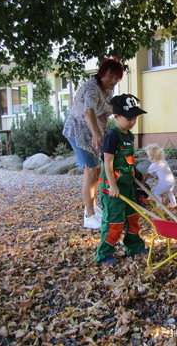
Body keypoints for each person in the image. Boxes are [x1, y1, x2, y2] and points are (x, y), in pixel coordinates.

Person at [63, 57, 124, 229]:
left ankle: (94, 207)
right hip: (79, 133)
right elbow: (88, 111)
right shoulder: (92, 88)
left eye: (116, 78)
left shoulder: (107, 90)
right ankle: (88, 216)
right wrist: (96, 132)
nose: (113, 81)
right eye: (110, 76)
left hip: (93, 134)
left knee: (97, 169)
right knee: (91, 171)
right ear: (101, 74)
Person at [96, 94, 148, 265]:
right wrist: (112, 185)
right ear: (117, 117)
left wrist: (134, 174)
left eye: (135, 118)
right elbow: (107, 163)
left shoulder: (130, 135)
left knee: (132, 218)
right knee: (114, 222)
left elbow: (129, 159)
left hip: (126, 184)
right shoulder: (113, 135)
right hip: (112, 187)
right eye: (129, 118)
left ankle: (134, 247)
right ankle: (104, 255)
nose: (132, 121)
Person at [143, 144, 177, 209]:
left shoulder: (153, 165)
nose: (148, 158)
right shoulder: (164, 161)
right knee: (169, 191)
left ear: (153, 157)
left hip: (164, 182)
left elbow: (148, 174)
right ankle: (173, 203)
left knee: (156, 192)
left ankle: (159, 206)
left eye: (149, 156)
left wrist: (144, 180)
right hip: (172, 181)